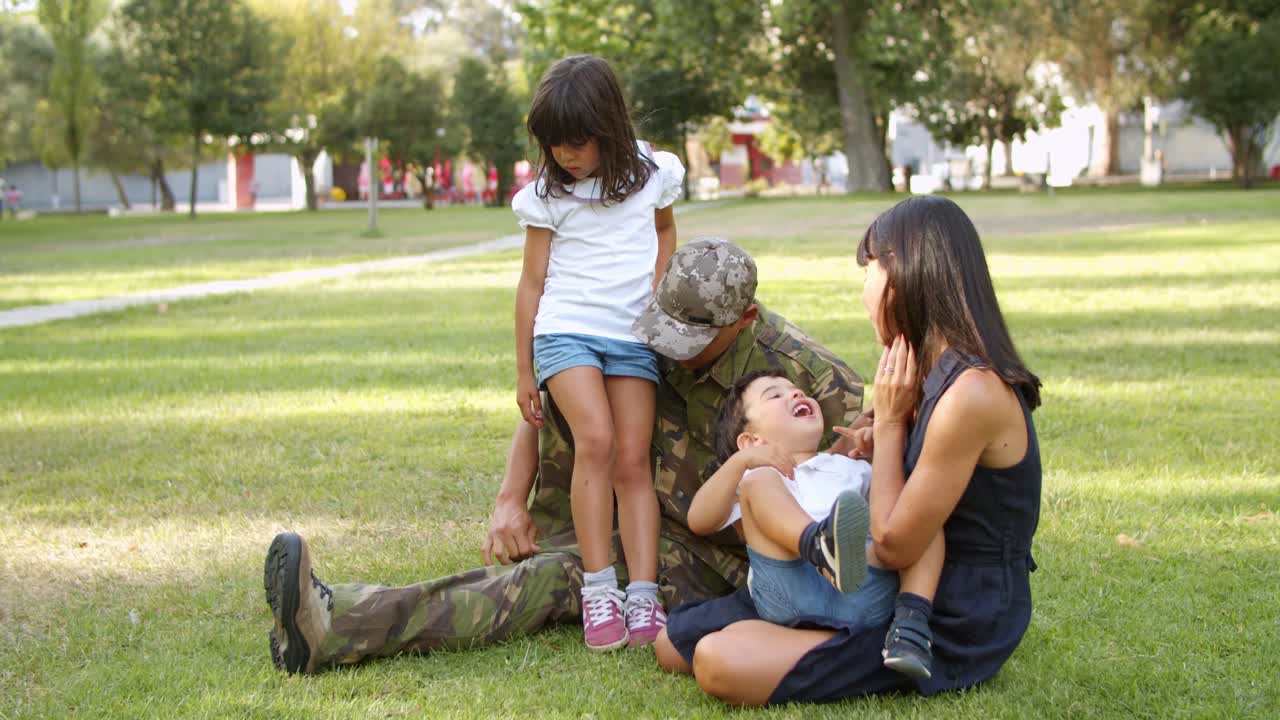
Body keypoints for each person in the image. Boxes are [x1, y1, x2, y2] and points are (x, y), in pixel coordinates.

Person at [262, 237, 867, 674]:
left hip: (728, 560)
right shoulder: (656, 328)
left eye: (694, 341)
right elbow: (554, 403)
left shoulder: (810, 380)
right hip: (628, 512)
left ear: (746, 320)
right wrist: (508, 499)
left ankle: (338, 625)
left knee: (552, 582)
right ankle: (335, 620)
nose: (671, 350)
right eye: (666, 329)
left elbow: (873, 475)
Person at [655, 195, 1043, 706]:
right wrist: (867, 437)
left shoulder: (971, 392)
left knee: (718, 662)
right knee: (670, 645)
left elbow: (895, 543)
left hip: (947, 609)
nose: (865, 293)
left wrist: (889, 427)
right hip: (867, 578)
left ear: (901, 277)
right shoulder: (924, 369)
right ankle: (814, 626)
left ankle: (847, 639)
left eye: (870, 272)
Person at [511, 54, 685, 651]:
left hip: (631, 334)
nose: (566, 155)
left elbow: (664, 232)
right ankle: (599, 589)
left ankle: (643, 595)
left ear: (609, 127)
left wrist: (659, 297)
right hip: (566, 331)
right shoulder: (546, 195)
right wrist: (523, 368)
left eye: (578, 142)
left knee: (634, 460)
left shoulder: (653, 173)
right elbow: (531, 283)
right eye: (555, 144)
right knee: (598, 443)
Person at [687, 368, 943, 681]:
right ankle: (818, 546)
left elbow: (890, 523)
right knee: (760, 481)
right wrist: (741, 463)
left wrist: (877, 455)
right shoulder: (753, 476)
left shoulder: (850, 467)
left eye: (797, 390)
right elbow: (699, 520)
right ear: (751, 440)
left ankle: (911, 624)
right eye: (775, 395)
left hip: (862, 591)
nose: (795, 394)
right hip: (789, 591)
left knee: (917, 511)